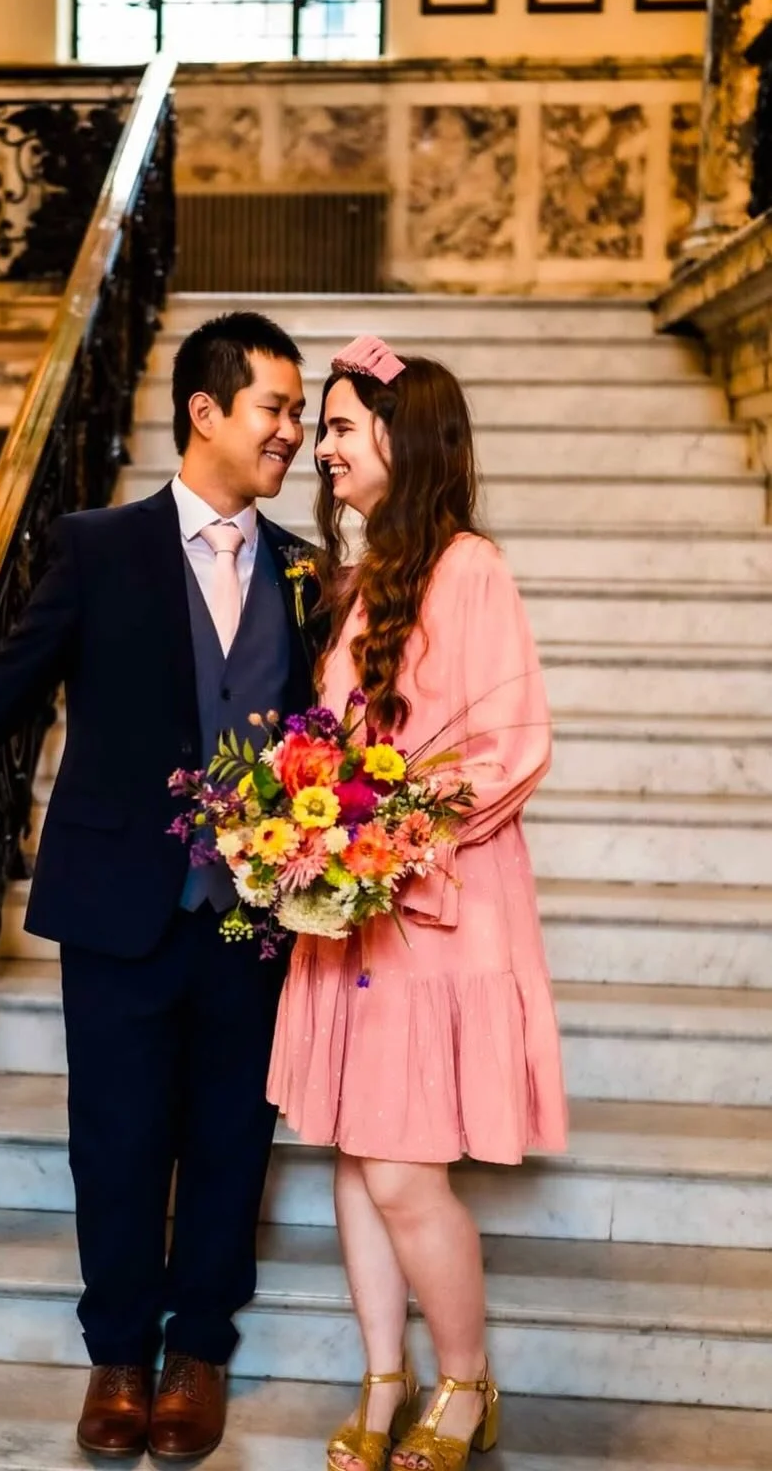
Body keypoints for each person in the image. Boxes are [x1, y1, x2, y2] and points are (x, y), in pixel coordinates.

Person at [0, 313, 318, 1461]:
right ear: (206, 412)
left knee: (230, 1135)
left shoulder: (305, 570)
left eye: (301, 413)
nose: (292, 432)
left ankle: (199, 1350)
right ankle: (119, 1355)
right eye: (276, 408)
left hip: (251, 913)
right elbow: (1, 691)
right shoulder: (99, 548)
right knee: (116, 1137)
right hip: (117, 901)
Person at [266, 337, 568, 1471]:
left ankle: (463, 1380)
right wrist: (299, 819)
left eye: (342, 427)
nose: (323, 449)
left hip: (434, 908)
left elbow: (511, 745)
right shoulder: (360, 582)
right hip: (353, 917)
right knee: (356, 1155)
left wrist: (388, 838)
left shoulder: (471, 569)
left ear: (404, 437)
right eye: (325, 430)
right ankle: (383, 1379)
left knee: (399, 1168)